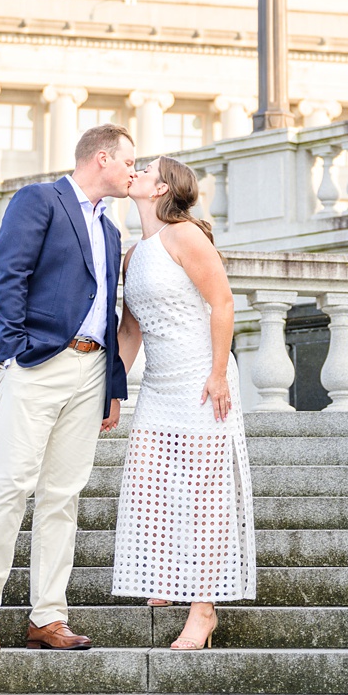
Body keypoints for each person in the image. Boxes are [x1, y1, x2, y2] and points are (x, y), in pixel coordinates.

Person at [0, 122, 135, 654]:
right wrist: (13, 352)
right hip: (36, 362)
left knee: (63, 496)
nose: (134, 171)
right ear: (101, 157)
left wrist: (113, 384)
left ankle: (48, 617)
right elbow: (8, 275)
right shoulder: (39, 200)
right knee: (11, 484)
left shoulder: (110, 231)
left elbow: (108, 311)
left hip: (90, 370)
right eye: (129, 161)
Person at [111, 154, 254, 647]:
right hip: (159, 386)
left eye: (145, 170)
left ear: (161, 188)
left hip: (201, 378)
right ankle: (168, 578)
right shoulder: (134, 253)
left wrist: (218, 373)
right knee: (151, 481)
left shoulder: (185, 235)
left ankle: (203, 608)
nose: (136, 173)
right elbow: (130, 330)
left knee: (205, 494)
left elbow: (223, 302)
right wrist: (115, 388)